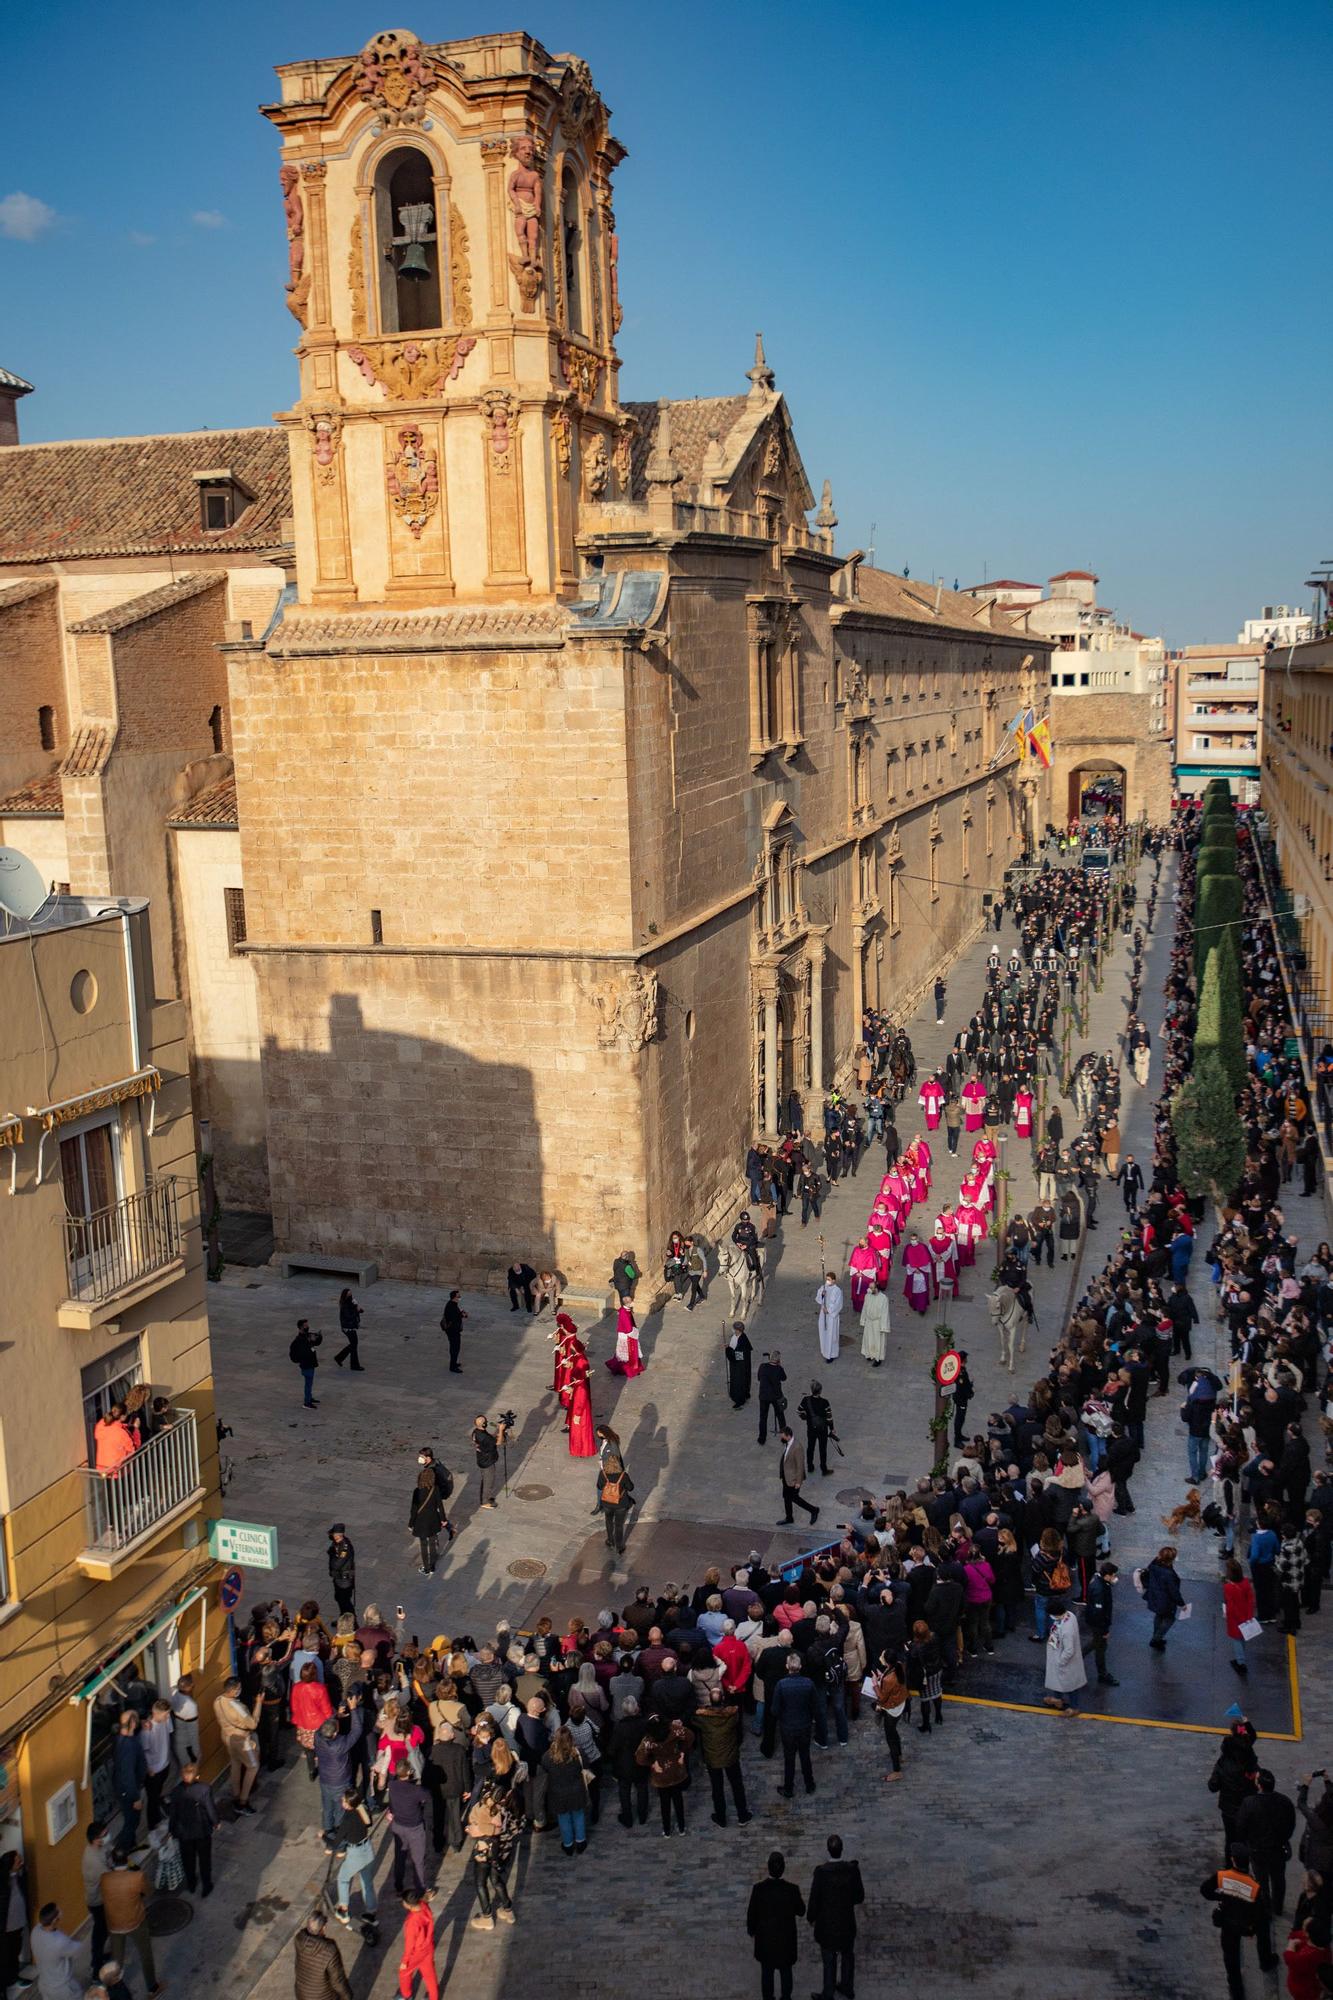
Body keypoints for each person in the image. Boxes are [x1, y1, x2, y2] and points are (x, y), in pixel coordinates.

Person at [1200, 1840, 1277, 1999]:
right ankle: (1265, 1960)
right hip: (1246, 1923)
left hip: (1228, 1923)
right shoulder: (1254, 1885)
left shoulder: (1223, 1876)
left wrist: (1221, 1896)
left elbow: (1205, 1890)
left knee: (1231, 1958)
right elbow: (1259, 1912)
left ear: (1233, 1859)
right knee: (1264, 1930)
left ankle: (1237, 1991)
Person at [806, 1834, 864, 2000]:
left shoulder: (821, 1873)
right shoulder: (852, 1870)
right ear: (842, 1849)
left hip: (827, 1925)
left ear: (828, 1850)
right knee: (847, 1955)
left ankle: (828, 1993)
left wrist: (811, 1917)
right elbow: (859, 1896)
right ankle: (847, 1986)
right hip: (846, 1922)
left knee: (829, 1959)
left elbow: (814, 1899)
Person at [99, 1850, 159, 1998]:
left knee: (117, 1959)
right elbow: (149, 1891)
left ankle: (114, 1989)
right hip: (135, 1922)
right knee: (146, 1955)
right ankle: (153, 1987)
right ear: (127, 1860)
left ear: (112, 1862)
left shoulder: (104, 1878)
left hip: (114, 1924)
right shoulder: (136, 1877)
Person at [747, 1851, 806, 2000]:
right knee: (786, 1972)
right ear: (784, 1868)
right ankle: (786, 1997)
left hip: (766, 1941)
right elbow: (801, 1911)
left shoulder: (759, 1889)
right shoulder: (792, 1890)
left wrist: (752, 1930)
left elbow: (752, 1914)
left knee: (767, 1973)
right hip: (786, 1941)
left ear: (768, 1868)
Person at [634, 1714, 695, 1836]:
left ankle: (667, 1830)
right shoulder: (674, 1730)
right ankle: (681, 1827)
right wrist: (682, 1751)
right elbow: (690, 1736)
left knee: (664, 1802)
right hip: (676, 1771)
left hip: (661, 1774)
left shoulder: (649, 1740)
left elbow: (639, 1758)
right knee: (678, 1799)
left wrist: (652, 1762)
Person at [166, 1762, 217, 1897]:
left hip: (184, 1833)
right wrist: (215, 1822)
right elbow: (210, 1809)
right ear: (197, 1776)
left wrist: (171, 1830)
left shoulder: (176, 1792)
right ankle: (206, 1885)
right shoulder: (204, 1789)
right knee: (204, 1859)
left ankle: (192, 1884)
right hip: (202, 1831)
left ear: (182, 1776)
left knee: (188, 1860)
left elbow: (173, 1814)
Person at [770, 1656, 816, 1799]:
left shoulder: (781, 1685)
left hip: (788, 1727)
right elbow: (815, 1705)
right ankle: (809, 1784)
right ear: (800, 1667)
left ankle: (789, 1788)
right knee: (805, 1756)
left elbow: (775, 1709)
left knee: (789, 1758)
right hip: (804, 1725)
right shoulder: (808, 1683)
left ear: (787, 1666)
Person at [214, 1675, 260, 1811]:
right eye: (238, 1688)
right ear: (233, 1691)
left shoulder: (217, 1701)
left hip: (227, 1736)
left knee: (235, 1763)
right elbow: (253, 1724)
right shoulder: (237, 1707)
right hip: (241, 1739)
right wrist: (259, 1703)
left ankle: (235, 1794)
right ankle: (243, 1802)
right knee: (253, 1767)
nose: (240, 1690)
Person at [293, 1908, 353, 2000]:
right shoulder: (329, 1950)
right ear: (323, 1928)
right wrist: (347, 1996)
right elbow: (337, 1981)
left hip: (302, 1994)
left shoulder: (298, 1939)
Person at [30, 1903, 81, 2000]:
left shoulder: (35, 1930)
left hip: (44, 1984)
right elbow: (77, 1949)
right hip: (61, 1989)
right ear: (54, 1920)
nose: (61, 1912)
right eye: (59, 1911)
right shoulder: (60, 1942)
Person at [409, 1458, 451, 1573]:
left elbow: (413, 1510)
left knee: (423, 1544)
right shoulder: (435, 1490)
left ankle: (426, 1567)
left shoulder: (417, 1492)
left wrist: (411, 1523)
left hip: (420, 1521)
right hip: (433, 1520)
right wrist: (443, 1519)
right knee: (432, 1543)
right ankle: (432, 1566)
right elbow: (440, 1506)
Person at [1044, 1605, 1086, 1714]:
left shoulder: (1067, 1630)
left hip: (1064, 1660)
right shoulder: (1069, 1615)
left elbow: (1069, 1650)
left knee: (1071, 1684)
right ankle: (1057, 1698)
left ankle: (1074, 1707)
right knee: (1058, 1679)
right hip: (1058, 1654)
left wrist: (1060, 1662)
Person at [1142, 1545, 1186, 1649]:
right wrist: (1182, 1604)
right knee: (1169, 1619)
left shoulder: (1154, 1565)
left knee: (1159, 1616)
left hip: (1155, 1596)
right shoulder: (1168, 1574)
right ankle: (1156, 1639)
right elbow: (1174, 1592)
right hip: (1166, 1601)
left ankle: (1156, 1636)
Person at [1085, 1562, 1120, 1686]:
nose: (1115, 1578)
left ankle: (1077, 1657)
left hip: (1094, 1621)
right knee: (1100, 1646)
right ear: (1106, 1576)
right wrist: (1105, 1630)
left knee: (1097, 1643)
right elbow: (1099, 1613)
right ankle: (1102, 1674)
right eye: (1113, 1575)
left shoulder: (1097, 1579)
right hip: (1098, 1624)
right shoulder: (1100, 1589)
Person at [397, 1892, 437, 2000]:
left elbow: (409, 1945)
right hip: (428, 1947)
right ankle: (434, 1997)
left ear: (408, 1905)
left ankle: (406, 1995)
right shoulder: (424, 1906)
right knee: (429, 1974)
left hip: (417, 1952)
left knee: (404, 1973)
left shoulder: (412, 1922)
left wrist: (404, 1962)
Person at [777, 1429, 819, 1528]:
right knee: (786, 1498)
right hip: (786, 1477)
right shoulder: (788, 1443)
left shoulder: (797, 1447)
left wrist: (798, 1482)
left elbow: (800, 1466)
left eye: (782, 1436)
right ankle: (789, 1518)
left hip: (793, 1479)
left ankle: (814, 1510)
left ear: (788, 1436)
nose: (781, 1438)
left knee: (795, 1498)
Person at [597, 1452, 635, 1556]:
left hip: (607, 1503)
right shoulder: (623, 1475)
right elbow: (630, 1488)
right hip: (621, 1504)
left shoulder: (603, 1474)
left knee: (608, 1521)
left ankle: (610, 1540)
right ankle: (619, 1546)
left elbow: (599, 1486)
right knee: (619, 1525)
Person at [798, 1382, 834, 1477]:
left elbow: (799, 1411)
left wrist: (806, 1417)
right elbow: (829, 1417)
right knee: (822, 1449)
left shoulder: (806, 1400)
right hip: (822, 1429)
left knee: (810, 1447)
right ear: (820, 1391)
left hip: (811, 1428)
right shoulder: (825, 1402)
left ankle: (810, 1466)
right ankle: (824, 1469)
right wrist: (832, 1428)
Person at [757, 1351, 787, 1446]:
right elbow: (784, 1378)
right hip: (776, 1396)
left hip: (764, 1396)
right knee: (780, 1417)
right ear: (778, 1360)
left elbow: (758, 1378)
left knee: (763, 1417)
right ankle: (784, 1438)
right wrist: (780, 1366)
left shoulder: (762, 1366)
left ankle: (762, 1438)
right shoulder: (779, 1369)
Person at [290, 1319, 322, 1408]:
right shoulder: (299, 1340)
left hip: (310, 1363)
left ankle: (309, 1398)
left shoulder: (307, 1336)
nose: (307, 1327)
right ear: (300, 1327)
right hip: (306, 1364)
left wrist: (318, 1337)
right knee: (308, 1383)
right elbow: (297, 1354)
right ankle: (307, 1403)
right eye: (305, 1326)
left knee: (309, 1383)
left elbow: (317, 1342)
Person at [334, 1289, 364, 1370]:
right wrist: (356, 1310)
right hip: (348, 1328)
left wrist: (358, 1308)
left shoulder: (350, 1303)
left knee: (353, 1345)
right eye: (349, 1295)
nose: (351, 1296)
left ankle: (339, 1358)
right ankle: (354, 1365)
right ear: (345, 1296)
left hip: (351, 1326)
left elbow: (356, 1310)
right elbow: (349, 1316)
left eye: (351, 1294)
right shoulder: (344, 1305)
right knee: (354, 1345)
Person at [816, 1275, 843, 1363]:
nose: (827, 1281)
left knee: (831, 1335)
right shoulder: (823, 1287)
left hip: (831, 1316)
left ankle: (831, 1354)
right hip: (823, 1314)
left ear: (834, 1280)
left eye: (829, 1280)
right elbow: (818, 1299)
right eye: (826, 1279)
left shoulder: (837, 1290)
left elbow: (838, 1304)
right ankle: (824, 1351)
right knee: (824, 1333)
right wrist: (822, 1295)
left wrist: (829, 1310)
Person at [726, 1322, 754, 1408]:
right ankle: (745, 1394)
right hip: (737, 1365)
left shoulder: (743, 1341)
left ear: (738, 1330)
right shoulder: (735, 1336)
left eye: (734, 1328)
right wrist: (729, 1347)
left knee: (739, 1382)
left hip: (740, 1367)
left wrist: (728, 1350)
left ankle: (739, 1400)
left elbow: (738, 1356)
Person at [951, 1352, 973, 1447]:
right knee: (959, 1418)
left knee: (961, 1418)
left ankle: (959, 1435)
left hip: (961, 1398)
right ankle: (957, 1439)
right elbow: (961, 1387)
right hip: (961, 1399)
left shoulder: (961, 1370)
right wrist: (969, 1394)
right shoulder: (960, 1372)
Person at [440, 1291, 466, 1372]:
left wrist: (461, 1314)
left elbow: (455, 1315)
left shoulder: (453, 1304)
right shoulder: (451, 1306)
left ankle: (454, 1363)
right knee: (455, 1348)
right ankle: (452, 1367)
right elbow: (453, 1318)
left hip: (454, 1330)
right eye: (458, 1296)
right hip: (452, 1331)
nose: (459, 1298)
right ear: (454, 1297)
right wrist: (462, 1315)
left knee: (455, 1347)